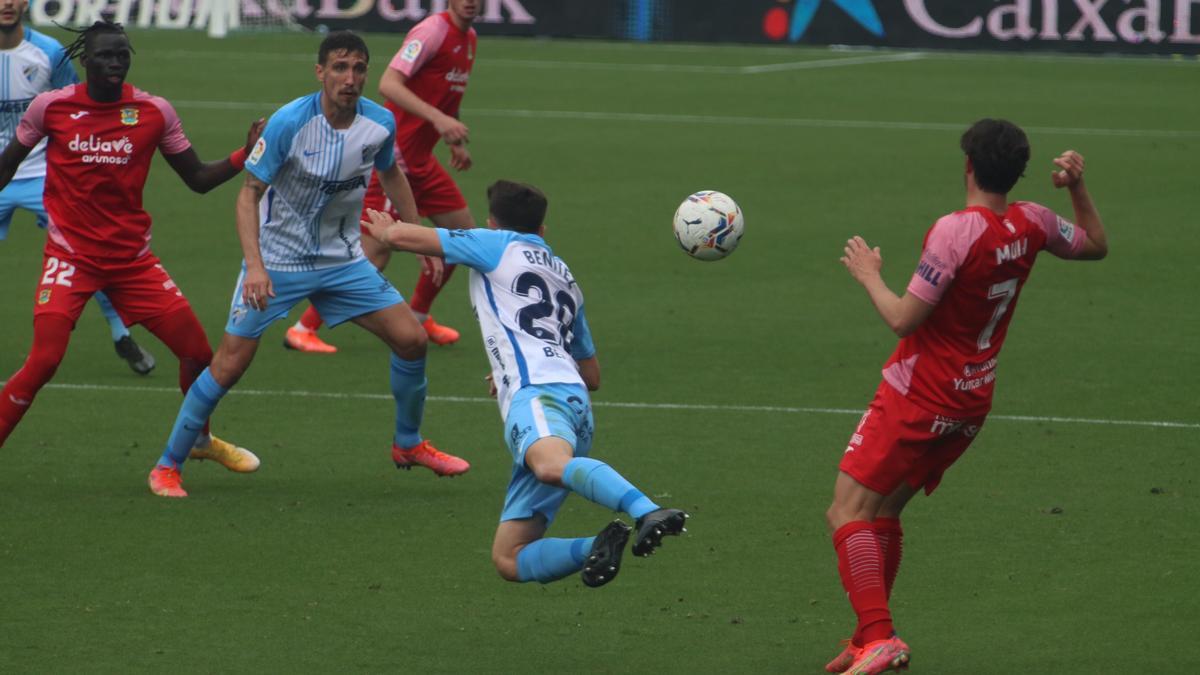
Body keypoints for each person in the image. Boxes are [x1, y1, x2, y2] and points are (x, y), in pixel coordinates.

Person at [824, 119, 1108, 674]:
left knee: (847, 511)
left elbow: (905, 320)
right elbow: (1095, 245)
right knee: (883, 511)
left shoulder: (957, 230)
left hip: (918, 395)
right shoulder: (1035, 220)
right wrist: (1076, 186)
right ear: (1019, 170)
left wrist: (868, 275)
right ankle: (867, 636)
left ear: (968, 166)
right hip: (970, 400)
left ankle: (881, 637)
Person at [147, 31, 469, 498]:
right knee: (229, 365)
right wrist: (255, 267)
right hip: (277, 265)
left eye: (359, 68)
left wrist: (416, 233)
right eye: (340, 68)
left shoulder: (379, 123)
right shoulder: (289, 122)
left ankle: (408, 444)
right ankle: (167, 464)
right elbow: (247, 195)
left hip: (343, 262)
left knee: (411, 339)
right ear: (320, 72)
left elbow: (392, 172)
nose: (351, 78)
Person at [362, 179, 688, 587]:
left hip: (539, 397)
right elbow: (593, 376)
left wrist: (384, 231)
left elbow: (409, 237)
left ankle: (646, 509)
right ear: (543, 231)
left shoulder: (495, 244)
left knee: (550, 466)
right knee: (509, 558)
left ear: (493, 223)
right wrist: (508, 366)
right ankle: (599, 544)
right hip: (573, 406)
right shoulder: (566, 278)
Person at [0, 21, 262, 481]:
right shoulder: (51, 108)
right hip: (70, 260)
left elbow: (197, 179)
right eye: (105, 55)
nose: (115, 63)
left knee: (199, 354)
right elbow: (6, 166)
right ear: (86, 61)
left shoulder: (153, 112)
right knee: (43, 361)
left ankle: (199, 440)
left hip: (132, 264)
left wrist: (244, 154)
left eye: (122, 54)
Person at [285, 0, 480, 353]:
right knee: (375, 250)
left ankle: (419, 314)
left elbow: (447, 94)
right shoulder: (432, 32)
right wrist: (439, 119)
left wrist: (453, 138)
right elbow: (389, 84)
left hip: (423, 160)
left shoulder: (470, 40)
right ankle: (302, 328)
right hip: (397, 159)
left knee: (461, 236)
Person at [0, 0, 155, 375]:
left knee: (89, 252)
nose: (6, 3)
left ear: (26, 3)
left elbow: (79, 108)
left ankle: (121, 333)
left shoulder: (50, 53)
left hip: (44, 175)